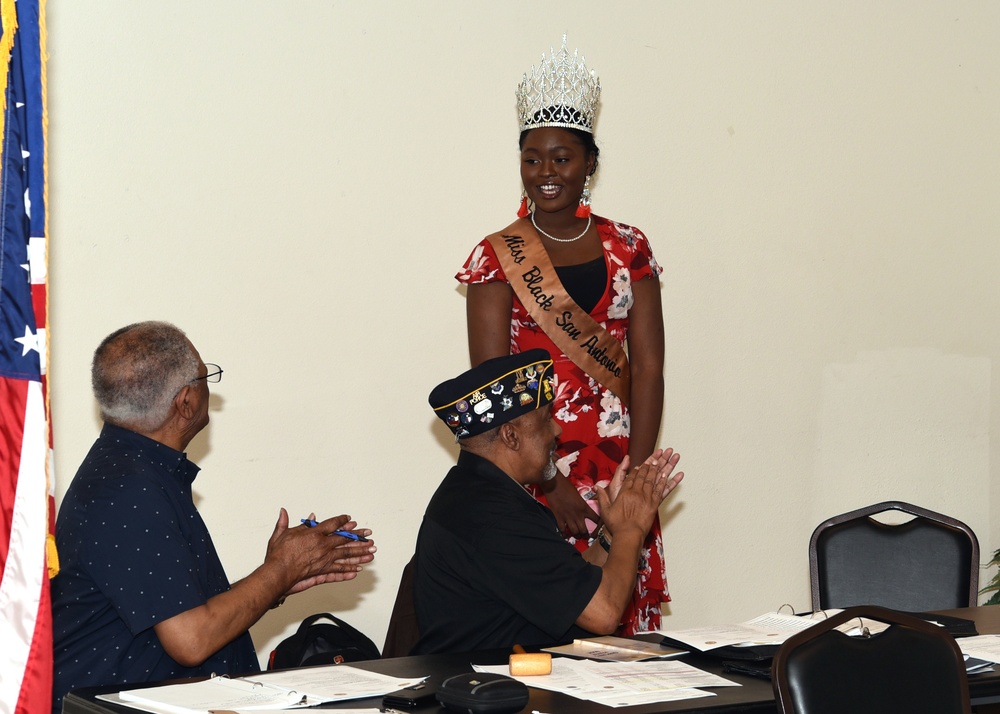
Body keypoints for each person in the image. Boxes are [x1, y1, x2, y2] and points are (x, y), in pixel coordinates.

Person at [51, 321, 376, 712]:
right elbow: (191, 640)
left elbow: (179, 611)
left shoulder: (132, 468)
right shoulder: (129, 488)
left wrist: (277, 580)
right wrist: (281, 569)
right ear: (185, 401)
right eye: (207, 377)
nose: (210, 389)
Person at [456, 36, 667, 634]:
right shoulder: (497, 258)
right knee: (555, 636)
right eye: (532, 158)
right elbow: (492, 389)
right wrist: (551, 488)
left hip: (618, 467)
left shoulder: (630, 248)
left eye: (561, 157)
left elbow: (647, 368)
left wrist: (639, 479)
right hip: (534, 471)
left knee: (624, 648)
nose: (545, 172)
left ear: (590, 163)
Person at [412, 349, 682, 655]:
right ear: (510, 436)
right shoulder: (491, 515)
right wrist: (631, 528)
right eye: (545, 420)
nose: (557, 429)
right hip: (491, 693)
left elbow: (571, 587)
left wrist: (610, 533)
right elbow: (603, 613)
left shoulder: (477, 493)